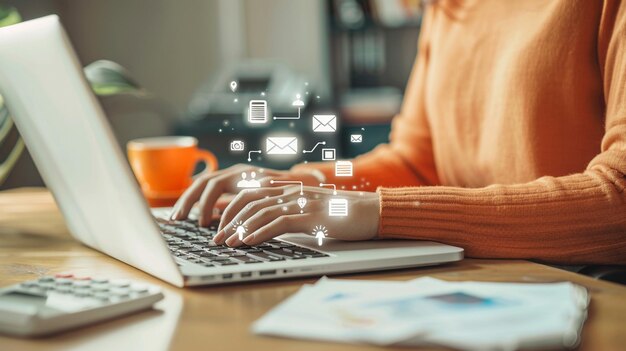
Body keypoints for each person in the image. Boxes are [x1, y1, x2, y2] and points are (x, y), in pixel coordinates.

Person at [172, 0, 626, 265]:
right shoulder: (448, 8)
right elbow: (415, 162)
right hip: (481, 273)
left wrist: (376, 213)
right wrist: (298, 185)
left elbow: (619, 198)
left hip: (579, 284)